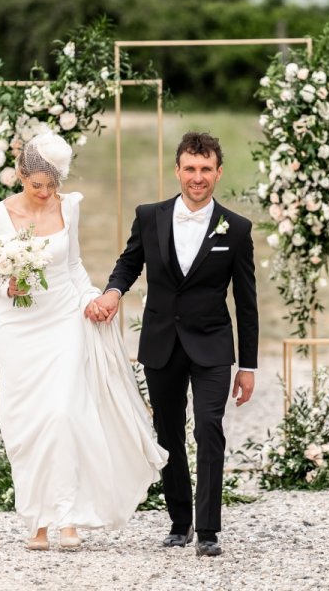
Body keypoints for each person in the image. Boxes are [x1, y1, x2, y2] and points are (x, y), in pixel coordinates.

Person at [0, 132, 167, 551]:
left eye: (53, 185)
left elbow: (75, 264)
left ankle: (67, 518)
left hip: (64, 317)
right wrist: (8, 285)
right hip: (19, 326)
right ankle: (37, 521)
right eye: (37, 185)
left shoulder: (70, 207)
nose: (45, 194)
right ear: (21, 175)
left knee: (63, 413)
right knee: (26, 421)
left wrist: (93, 298)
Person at [90, 131, 259, 557]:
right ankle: (179, 521)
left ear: (218, 172)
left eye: (205, 169)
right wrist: (113, 292)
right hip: (162, 342)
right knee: (168, 433)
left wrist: (248, 366)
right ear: (177, 170)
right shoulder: (150, 216)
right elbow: (129, 262)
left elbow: (247, 301)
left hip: (213, 346)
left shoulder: (236, 229)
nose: (197, 177)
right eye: (190, 168)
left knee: (208, 427)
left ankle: (208, 530)